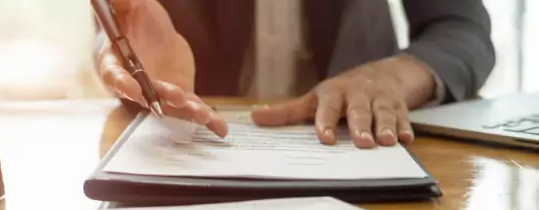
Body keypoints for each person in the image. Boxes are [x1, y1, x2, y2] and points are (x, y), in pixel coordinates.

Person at [96, 0, 495, 148]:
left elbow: (461, 28)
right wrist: (121, 54)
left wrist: (397, 76)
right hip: (198, 152)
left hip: (361, 144)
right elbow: (124, 20)